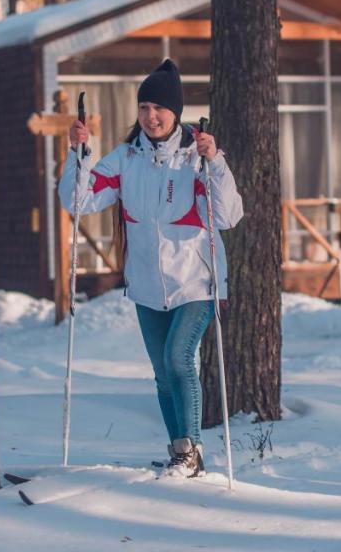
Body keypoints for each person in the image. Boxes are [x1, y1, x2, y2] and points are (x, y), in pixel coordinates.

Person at [59, 58, 243, 477]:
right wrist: (79, 153)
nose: (151, 115)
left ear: (175, 112)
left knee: (179, 359)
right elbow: (79, 200)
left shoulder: (196, 156)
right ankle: (181, 451)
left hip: (196, 283)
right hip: (145, 286)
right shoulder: (126, 158)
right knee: (162, 375)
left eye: (159, 108)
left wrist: (215, 161)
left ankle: (192, 452)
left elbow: (228, 215)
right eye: (144, 107)